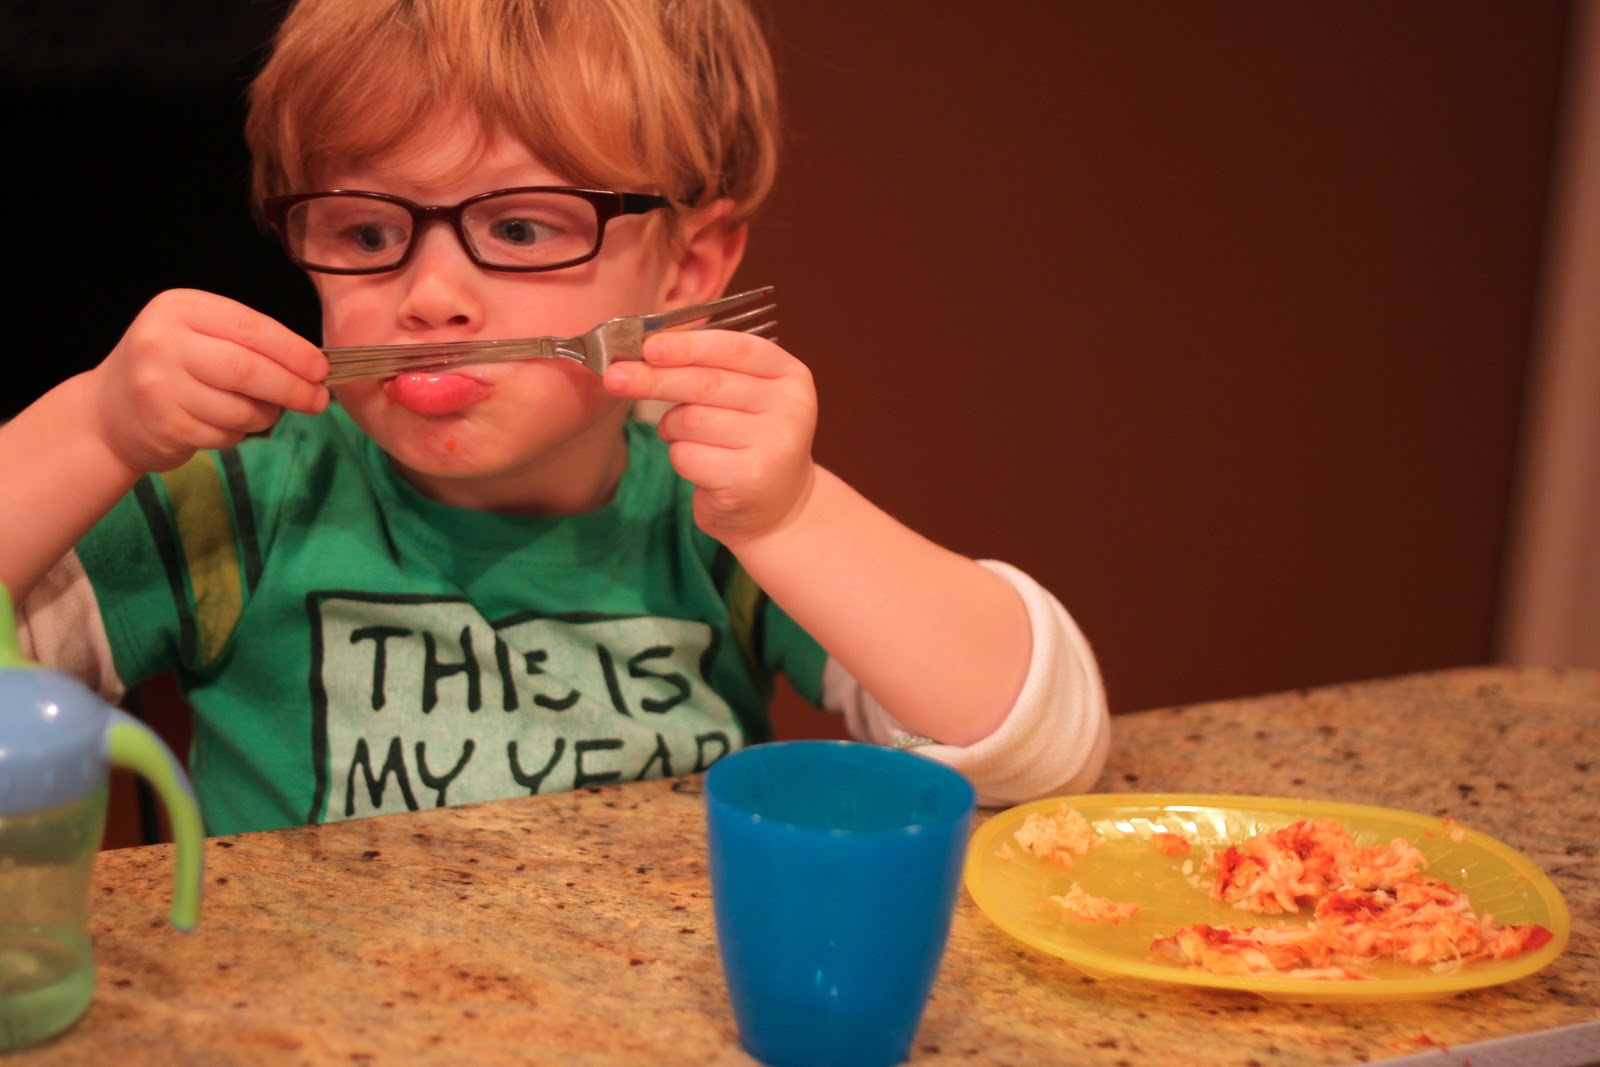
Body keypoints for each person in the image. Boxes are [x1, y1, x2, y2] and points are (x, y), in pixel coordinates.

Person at [0, 0, 1109, 835]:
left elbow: (1042, 759)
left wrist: (795, 515)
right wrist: (92, 428)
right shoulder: (234, 507)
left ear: (692, 261)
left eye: (523, 229)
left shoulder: (716, 516)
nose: (431, 292)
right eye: (367, 232)